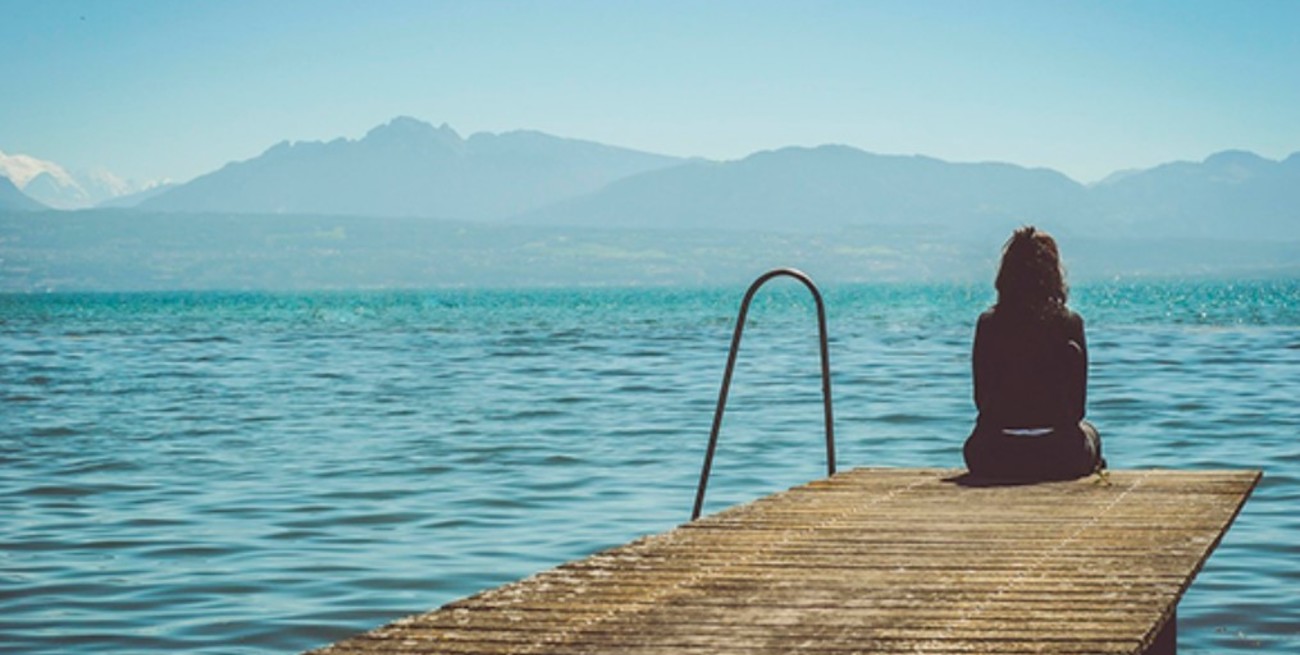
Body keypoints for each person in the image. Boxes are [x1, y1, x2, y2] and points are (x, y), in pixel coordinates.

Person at [963, 226, 1103, 480]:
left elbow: (982, 401)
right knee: (1091, 433)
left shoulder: (989, 324)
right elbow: (1077, 409)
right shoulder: (1070, 323)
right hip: (1060, 453)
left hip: (995, 453)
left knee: (975, 442)